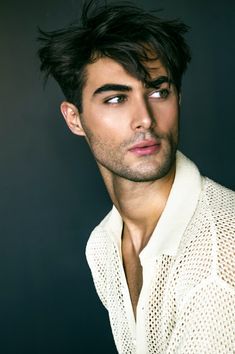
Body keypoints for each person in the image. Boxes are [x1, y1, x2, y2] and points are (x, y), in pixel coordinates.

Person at [37, 1, 235, 353]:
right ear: (74, 118)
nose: (144, 117)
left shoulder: (221, 258)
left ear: (179, 97)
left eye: (159, 92)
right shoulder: (103, 246)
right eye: (115, 99)